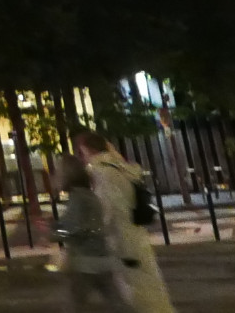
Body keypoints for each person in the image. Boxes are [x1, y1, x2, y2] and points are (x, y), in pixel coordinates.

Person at [73, 132, 175, 313]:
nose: (81, 156)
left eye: (81, 151)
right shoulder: (121, 167)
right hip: (135, 237)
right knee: (149, 285)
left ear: (88, 149)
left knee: (135, 292)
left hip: (120, 242)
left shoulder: (102, 172)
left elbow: (107, 211)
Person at [55, 156, 128, 310]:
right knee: (116, 302)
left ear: (67, 176)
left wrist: (53, 231)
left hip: (84, 260)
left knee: (74, 304)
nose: (55, 177)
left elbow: (72, 228)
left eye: (58, 173)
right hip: (101, 256)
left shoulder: (77, 198)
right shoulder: (89, 195)